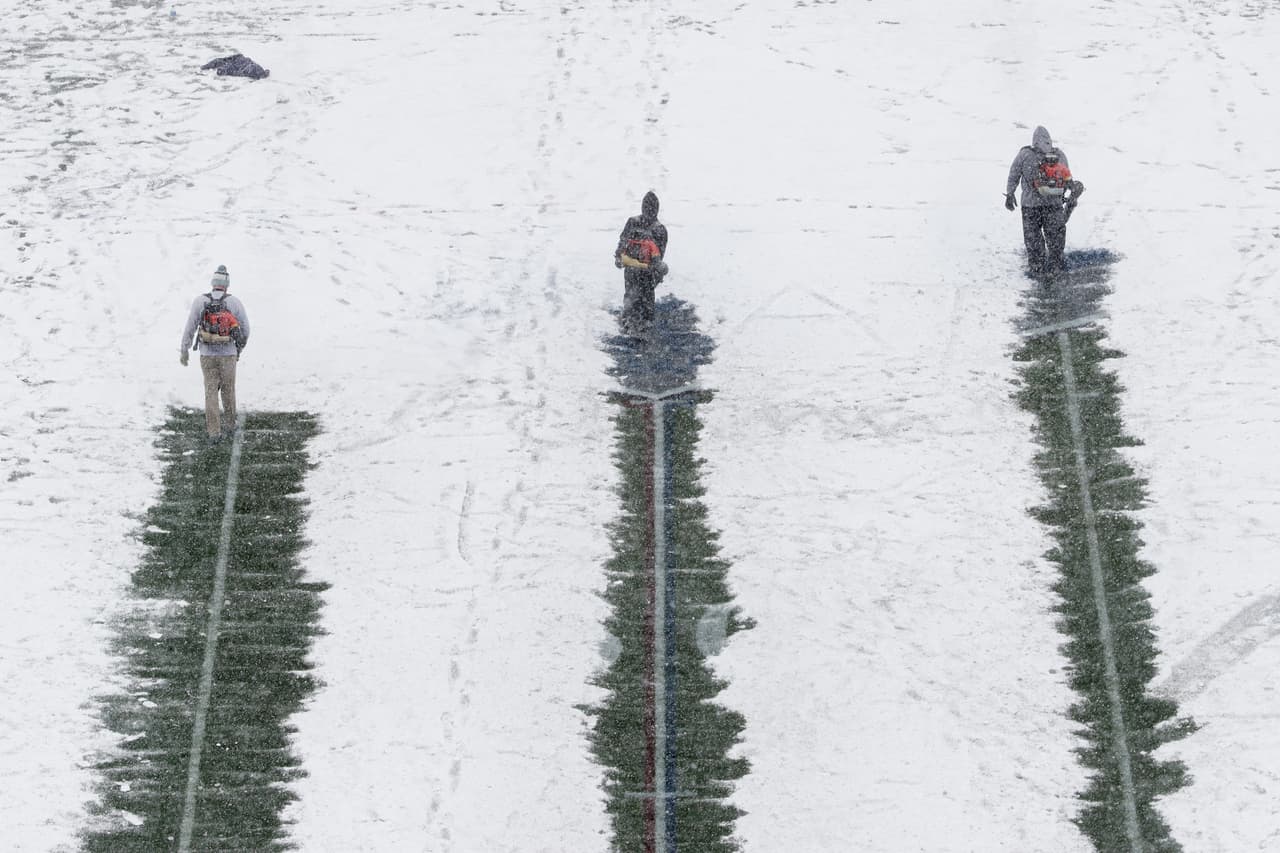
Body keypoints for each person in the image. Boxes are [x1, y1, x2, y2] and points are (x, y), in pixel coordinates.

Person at [179, 265, 250, 443]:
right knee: (228, 390)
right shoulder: (234, 302)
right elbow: (246, 329)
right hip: (228, 355)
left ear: (213, 283)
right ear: (226, 285)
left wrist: (184, 350)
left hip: (207, 355)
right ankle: (230, 427)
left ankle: (213, 433)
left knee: (210, 392)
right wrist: (238, 349)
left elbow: (190, 327)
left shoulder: (199, 301)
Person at [1005, 126, 1083, 276]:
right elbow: (1067, 178)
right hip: (1054, 205)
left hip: (1030, 206)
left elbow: (1013, 174)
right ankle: (1056, 266)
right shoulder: (1059, 155)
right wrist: (1067, 191)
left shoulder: (1024, 154)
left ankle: (1037, 269)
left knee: (1033, 239)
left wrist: (1010, 193)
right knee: (1056, 239)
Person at [613, 191, 669, 333]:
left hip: (638, 270)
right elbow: (659, 254)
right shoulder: (658, 229)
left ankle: (632, 322)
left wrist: (619, 257)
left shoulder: (636, 223)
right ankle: (639, 323)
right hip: (642, 271)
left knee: (634, 296)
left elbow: (623, 242)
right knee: (641, 298)